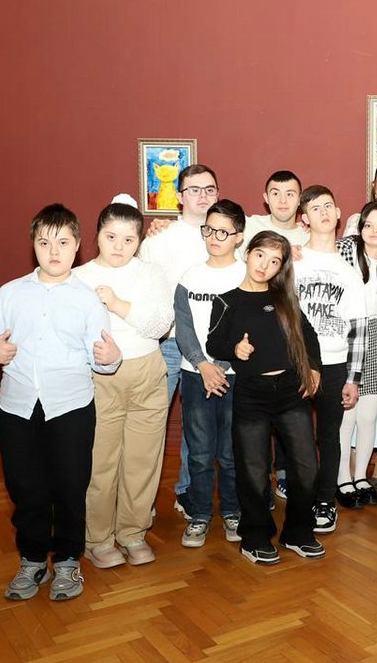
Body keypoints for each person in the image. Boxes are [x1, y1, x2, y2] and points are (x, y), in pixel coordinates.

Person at [0, 204, 122, 601]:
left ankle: (68, 561)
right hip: (17, 408)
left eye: (63, 243)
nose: (54, 251)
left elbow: (103, 359)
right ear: (33, 245)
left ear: (77, 246)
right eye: (44, 243)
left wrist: (112, 359)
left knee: (70, 487)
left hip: (71, 408)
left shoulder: (87, 300)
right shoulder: (9, 294)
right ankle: (33, 560)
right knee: (25, 487)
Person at [206, 231, 324, 565]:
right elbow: (214, 344)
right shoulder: (226, 301)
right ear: (248, 253)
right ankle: (255, 537)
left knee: (306, 467)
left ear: (280, 268)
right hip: (251, 395)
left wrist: (314, 368)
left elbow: (308, 335)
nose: (264, 265)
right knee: (253, 471)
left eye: (274, 261)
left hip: (290, 392)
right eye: (261, 255)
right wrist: (235, 349)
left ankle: (298, 533)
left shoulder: (285, 299)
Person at [73, 195, 173, 569]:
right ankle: (97, 539)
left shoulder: (151, 273)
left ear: (139, 240)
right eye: (111, 237)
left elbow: (160, 324)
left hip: (147, 373)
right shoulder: (79, 277)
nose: (119, 246)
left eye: (129, 239)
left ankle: (132, 532)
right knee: (101, 462)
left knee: (143, 460)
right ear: (97, 235)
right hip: (99, 379)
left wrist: (116, 304)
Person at [139, 163, 221, 519]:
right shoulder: (158, 241)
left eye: (209, 189)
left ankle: (187, 491)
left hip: (211, 348)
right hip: (168, 344)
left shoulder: (228, 234)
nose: (202, 196)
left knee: (197, 429)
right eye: (194, 189)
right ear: (180, 196)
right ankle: (139, 502)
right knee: (150, 426)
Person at [172, 199, 248, 550]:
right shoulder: (190, 278)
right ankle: (200, 514)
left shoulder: (247, 276)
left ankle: (233, 511)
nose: (214, 238)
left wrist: (224, 366)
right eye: (209, 230)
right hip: (195, 375)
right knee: (200, 452)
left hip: (236, 377)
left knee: (232, 452)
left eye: (223, 232)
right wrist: (203, 365)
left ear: (239, 236)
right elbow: (184, 328)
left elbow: (252, 328)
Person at [293, 185, 366, 532]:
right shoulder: (291, 260)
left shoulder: (348, 270)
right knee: (295, 436)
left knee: (329, 436)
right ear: (304, 219)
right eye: (315, 208)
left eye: (328, 206)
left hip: (335, 363)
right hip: (295, 362)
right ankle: (301, 497)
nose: (323, 212)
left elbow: (358, 327)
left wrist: (354, 377)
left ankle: (326, 500)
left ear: (338, 214)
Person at [336, 201, 377, 502]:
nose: (375, 231)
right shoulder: (344, 251)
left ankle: (361, 476)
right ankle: (342, 478)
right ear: (360, 228)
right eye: (368, 225)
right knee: (346, 417)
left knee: (368, 416)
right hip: (346, 337)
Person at [241, 170, 310, 248]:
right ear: (266, 198)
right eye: (276, 194)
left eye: (289, 194)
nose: (283, 201)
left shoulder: (310, 238)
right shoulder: (247, 226)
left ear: (299, 199)